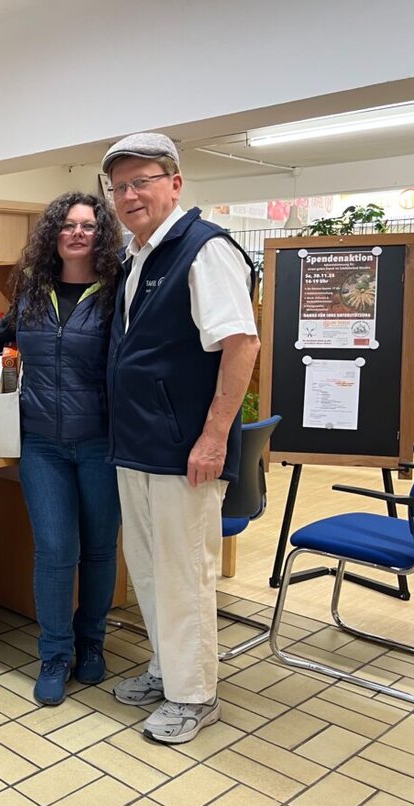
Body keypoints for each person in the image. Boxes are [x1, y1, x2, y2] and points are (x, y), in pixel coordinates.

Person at [0, 192, 123, 706]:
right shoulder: (33, 292)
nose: (78, 233)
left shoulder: (118, 292)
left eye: (89, 226)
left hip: (103, 443)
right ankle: (54, 653)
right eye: (68, 225)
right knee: (56, 552)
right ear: (53, 234)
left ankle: (91, 643)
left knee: (99, 552)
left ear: (102, 235)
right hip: (43, 446)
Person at [102, 133, 260, 744]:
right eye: (120, 187)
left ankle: (194, 696)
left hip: (183, 448)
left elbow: (240, 344)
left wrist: (214, 437)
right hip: (136, 444)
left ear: (175, 183)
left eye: (143, 181)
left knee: (185, 572)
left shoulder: (205, 249)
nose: (130, 195)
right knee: (147, 567)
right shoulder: (140, 253)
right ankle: (166, 668)